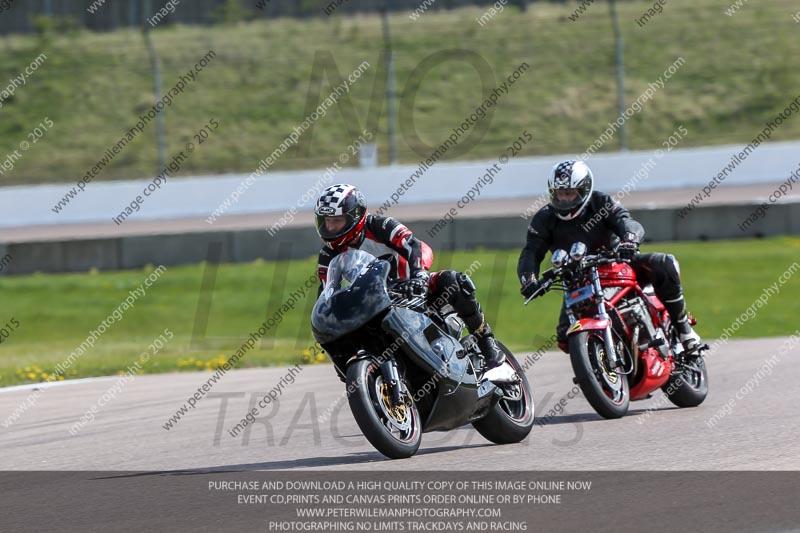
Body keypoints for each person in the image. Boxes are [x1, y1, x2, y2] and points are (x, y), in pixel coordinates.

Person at [517, 160, 702, 353]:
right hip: (578, 281)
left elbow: (626, 221)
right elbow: (531, 251)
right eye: (560, 194)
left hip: (618, 263)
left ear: (584, 190)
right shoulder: (544, 218)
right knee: (565, 338)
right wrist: (528, 279)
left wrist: (629, 240)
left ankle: (684, 332)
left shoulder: (601, 202)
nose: (565, 200)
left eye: (570, 193)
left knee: (664, 263)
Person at [314, 183, 505, 368]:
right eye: (326, 222)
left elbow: (416, 246)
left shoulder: (381, 226)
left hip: (412, 290)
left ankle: (486, 341)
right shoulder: (327, 255)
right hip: (373, 305)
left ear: (355, 216)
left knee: (453, 281)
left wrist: (419, 276)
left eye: (336, 221)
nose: (330, 228)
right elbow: (327, 293)